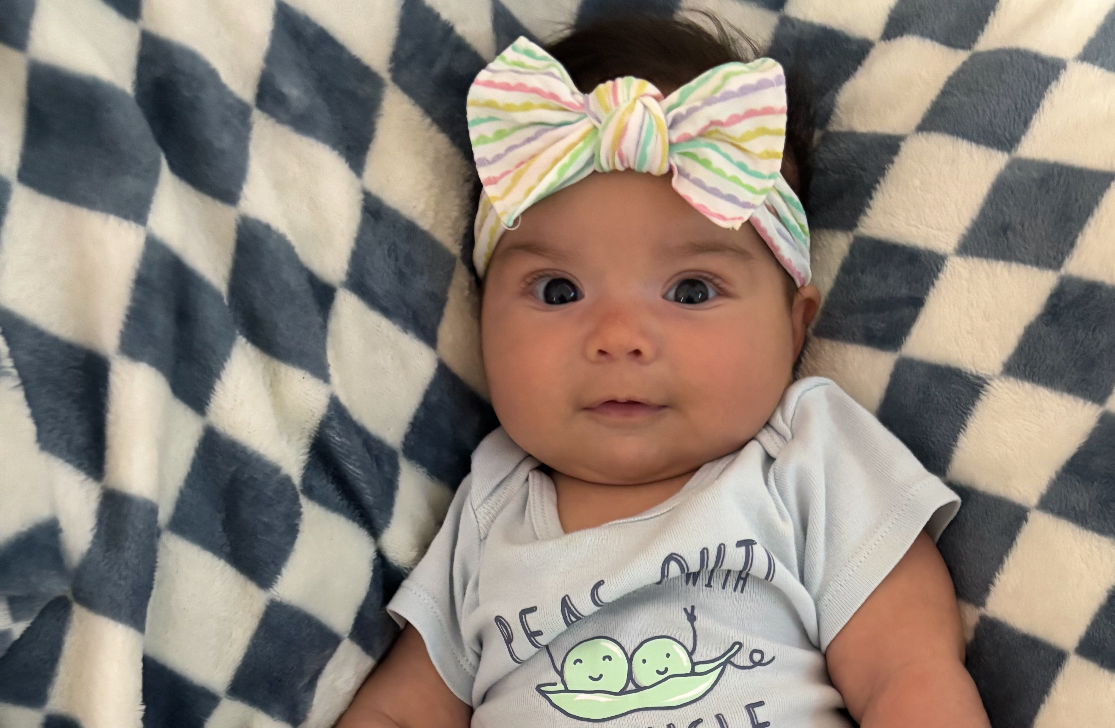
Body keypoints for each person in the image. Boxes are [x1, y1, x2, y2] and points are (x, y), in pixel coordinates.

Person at [340, 14, 990, 727]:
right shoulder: (490, 507)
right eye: (558, 291)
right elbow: (400, 713)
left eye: (691, 292)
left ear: (793, 326)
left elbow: (909, 674)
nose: (619, 339)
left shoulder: (808, 457)